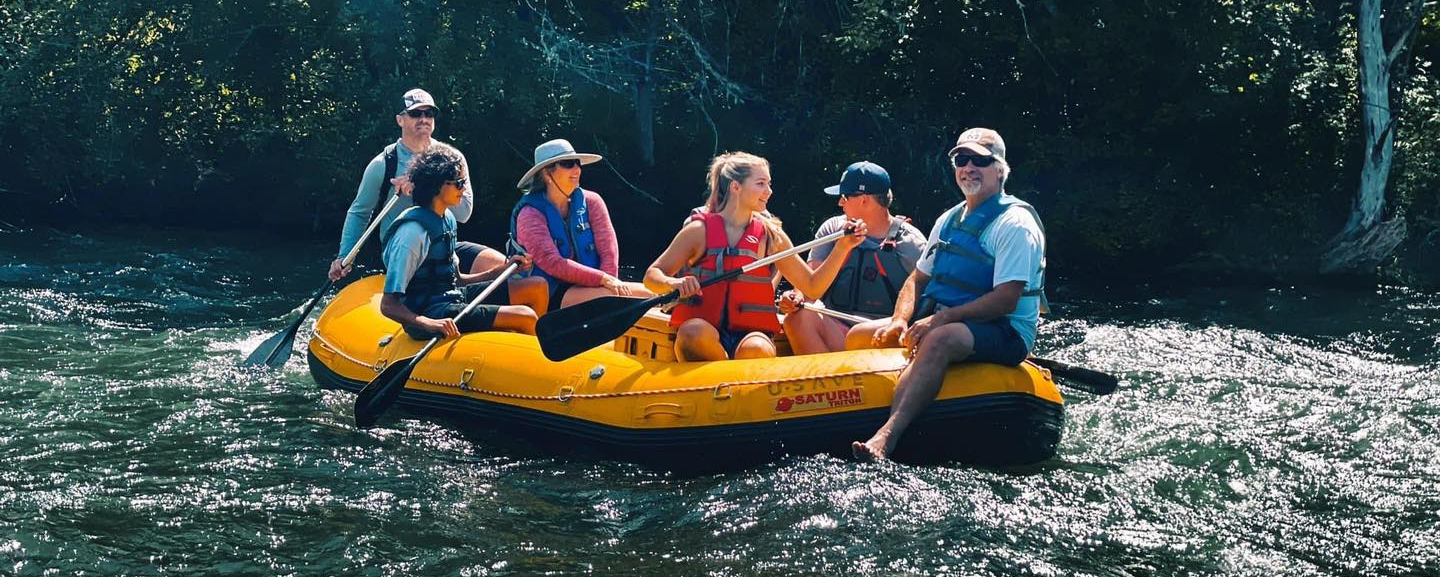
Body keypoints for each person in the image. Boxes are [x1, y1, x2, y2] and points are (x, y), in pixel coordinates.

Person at [852, 128, 1048, 461]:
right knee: (860, 334)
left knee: (941, 338)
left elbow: (1006, 299)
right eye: (962, 159)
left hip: (1006, 330)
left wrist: (940, 319)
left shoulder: (1015, 224)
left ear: (1000, 169)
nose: (969, 167)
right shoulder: (948, 220)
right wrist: (900, 320)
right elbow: (918, 277)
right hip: (951, 318)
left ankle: (887, 437)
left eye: (980, 160)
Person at [644, 152, 869, 362]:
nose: (769, 191)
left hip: (751, 334)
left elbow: (812, 287)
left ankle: (735, 383)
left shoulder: (771, 235)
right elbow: (652, 275)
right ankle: (721, 378)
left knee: (757, 349)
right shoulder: (698, 231)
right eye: (761, 184)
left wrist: (842, 248)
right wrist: (672, 282)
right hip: (705, 331)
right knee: (693, 332)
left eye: (769, 184)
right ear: (735, 187)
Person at [329, 88, 507, 282]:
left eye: (429, 113)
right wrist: (345, 256)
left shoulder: (453, 159)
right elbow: (359, 212)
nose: (423, 119)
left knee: (504, 268)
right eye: (415, 113)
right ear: (400, 120)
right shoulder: (383, 165)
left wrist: (422, 184)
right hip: (402, 249)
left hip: (443, 247)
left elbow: (464, 213)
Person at [378, 146, 537, 340]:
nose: (463, 188)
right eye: (458, 183)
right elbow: (388, 305)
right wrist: (428, 323)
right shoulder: (411, 234)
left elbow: (457, 280)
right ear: (436, 185)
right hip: (427, 315)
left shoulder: (447, 219)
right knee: (525, 316)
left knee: (535, 286)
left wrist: (502, 270)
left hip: (450, 298)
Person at [776, 161, 927, 355]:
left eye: (845, 197)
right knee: (797, 317)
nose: (840, 203)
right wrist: (795, 296)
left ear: (865, 200)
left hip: (880, 330)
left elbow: (925, 298)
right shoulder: (833, 229)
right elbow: (809, 284)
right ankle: (827, 381)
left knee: (859, 334)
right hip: (838, 326)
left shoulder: (910, 243)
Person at [507, 139, 652, 314]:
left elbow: (609, 251)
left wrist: (609, 283)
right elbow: (552, 263)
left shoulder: (593, 202)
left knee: (654, 295)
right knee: (620, 299)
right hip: (551, 294)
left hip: (595, 285)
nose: (577, 169)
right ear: (546, 174)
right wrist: (603, 281)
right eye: (568, 164)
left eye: (578, 163)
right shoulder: (529, 214)